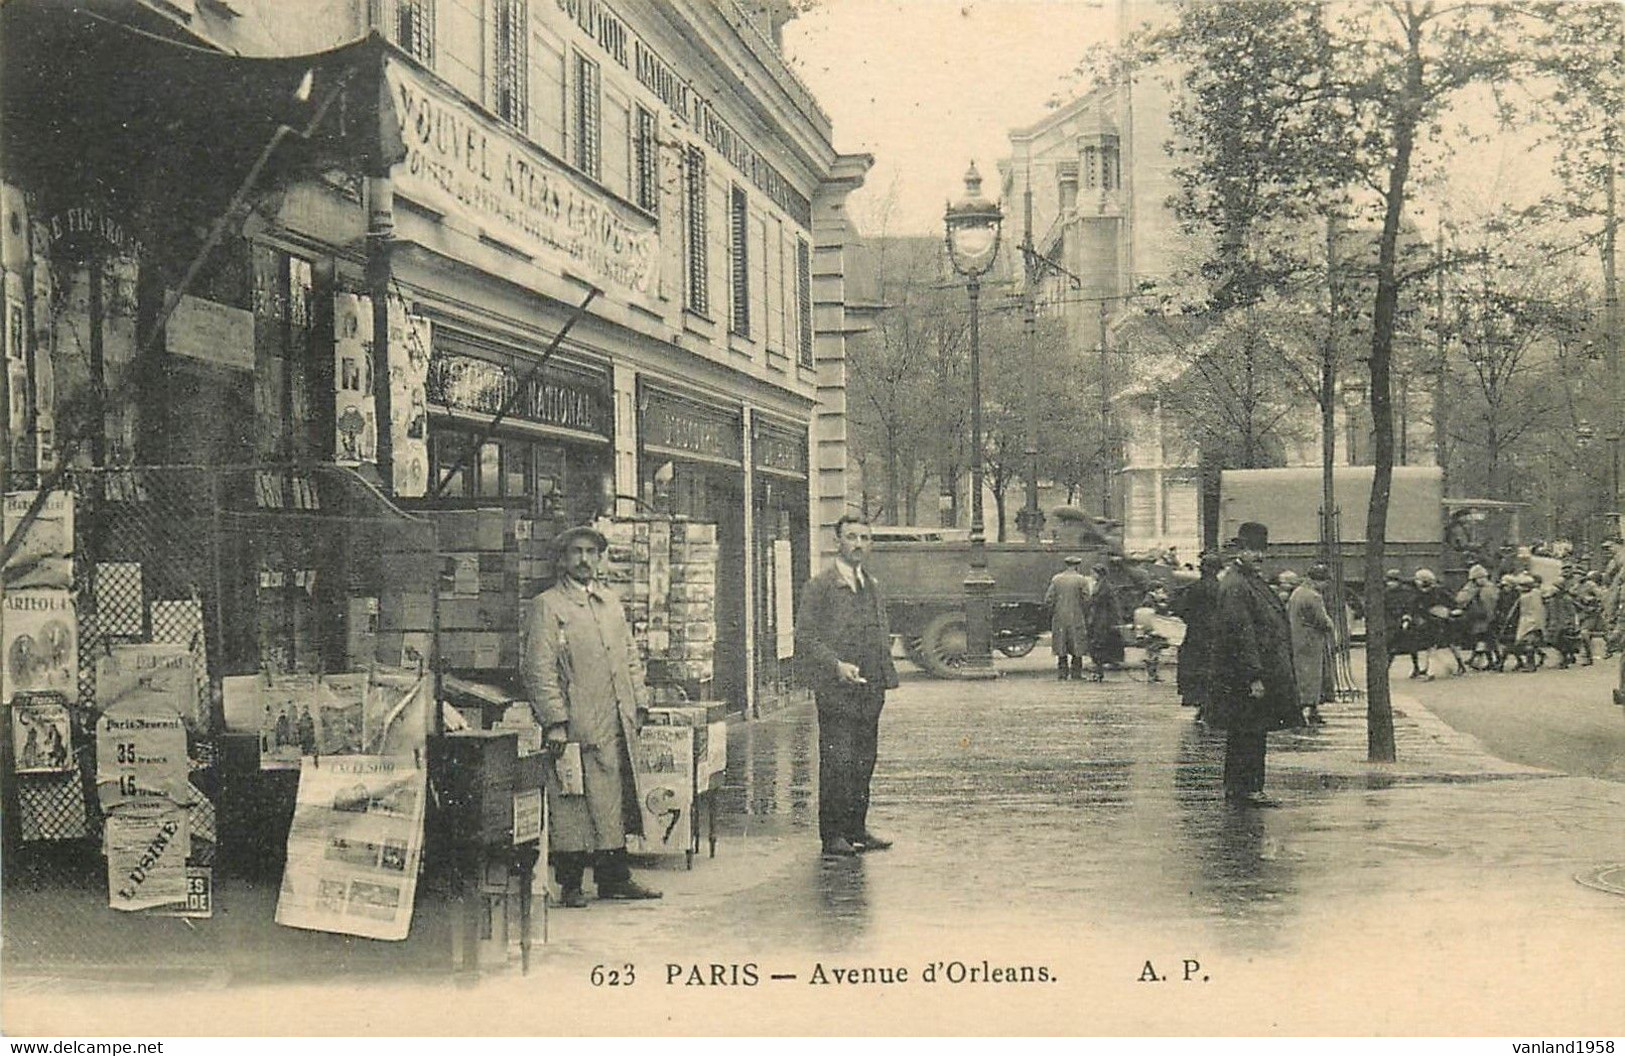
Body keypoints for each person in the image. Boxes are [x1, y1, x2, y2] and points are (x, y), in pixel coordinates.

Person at [522, 525, 662, 907]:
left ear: (600, 559)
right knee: (572, 801)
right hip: (575, 721)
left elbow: (630, 657)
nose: (584, 559)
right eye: (576, 552)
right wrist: (555, 721)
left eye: (591, 552)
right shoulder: (549, 606)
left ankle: (614, 878)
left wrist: (640, 702)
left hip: (613, 716)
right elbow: (538, 668)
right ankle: (570, 883)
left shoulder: (610, 603)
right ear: (563, 559)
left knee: (611, 799)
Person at [795, 515, 900, 859]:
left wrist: (883, 672)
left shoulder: (872, 585)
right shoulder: (820, 586)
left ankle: (857, 828)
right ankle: (833, 835)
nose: (858, 544)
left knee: (864, 760)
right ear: (837, 541)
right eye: (851, 537)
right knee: (837, 760)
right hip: (836, 689)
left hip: (870, 687)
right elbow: (805, 637)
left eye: (864, 538)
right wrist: (835, 665)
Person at [1209, 522, 1302, 807]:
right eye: (1251, 550)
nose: (1258, 556)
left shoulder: (1247, 580)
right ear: (1240, 551)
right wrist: (1253, 676)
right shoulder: (1237, 584)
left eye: (1261, 550)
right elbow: (1241, 633)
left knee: (1249, 731)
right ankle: (1247, 789)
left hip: (1250, 672)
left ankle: (1242, 788)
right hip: (1245, 675)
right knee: (1248, 732)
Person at [1171, 551, 1225, 720]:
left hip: (1196, 635)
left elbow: (1181, 610)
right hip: (1217, 635)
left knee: (1195, 669)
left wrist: (1193, 620)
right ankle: (1212, 706)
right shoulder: (1222, 589)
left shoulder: (1193, 588)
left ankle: (1201, 705)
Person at [1288, 564, 1336, 726]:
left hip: (1297, 639)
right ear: (1319, 581)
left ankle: (1309, 710)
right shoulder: (1313, 596)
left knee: (1301, 674)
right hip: (1311, 641)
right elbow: (1322, 620)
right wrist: (1331, 626)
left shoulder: (1297, 593)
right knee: (1312, 676)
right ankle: (1309, 710)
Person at [1044, 555, 1093, 681]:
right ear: (1077, 566)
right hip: (1076, 616)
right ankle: (1076, 673)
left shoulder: (1056, 579)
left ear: (1066, 565)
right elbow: (1087, 599)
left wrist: (1053, 611)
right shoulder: (1081, 580)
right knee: (1077, 643)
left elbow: (1048, 599)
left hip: (1059, 616)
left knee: (1061, 644)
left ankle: (1062, 673)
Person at [1455, 564, 1501, 671]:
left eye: (1484, 577)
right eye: (1479, 578)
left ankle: (1495, 659)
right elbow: (1461, 599)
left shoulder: (1490, 588)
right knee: (1484, 640)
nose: (1482, 580)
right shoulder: (1470, 588)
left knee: (1488, 640)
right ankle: (1491, 660)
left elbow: (1495, 601)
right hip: (1479, 618)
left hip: (1489, 618)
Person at [1086, 562, 1127, 681]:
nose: (1092, 575)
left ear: (1099, 573)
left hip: (1103, 619)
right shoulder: (1103, 585)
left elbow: (1098, 601)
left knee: (1098, 644)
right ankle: (1098, 670)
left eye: (1093, 573)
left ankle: (1098, 672)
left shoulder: (1104, 587)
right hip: (1101, 618)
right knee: (1098, 643)